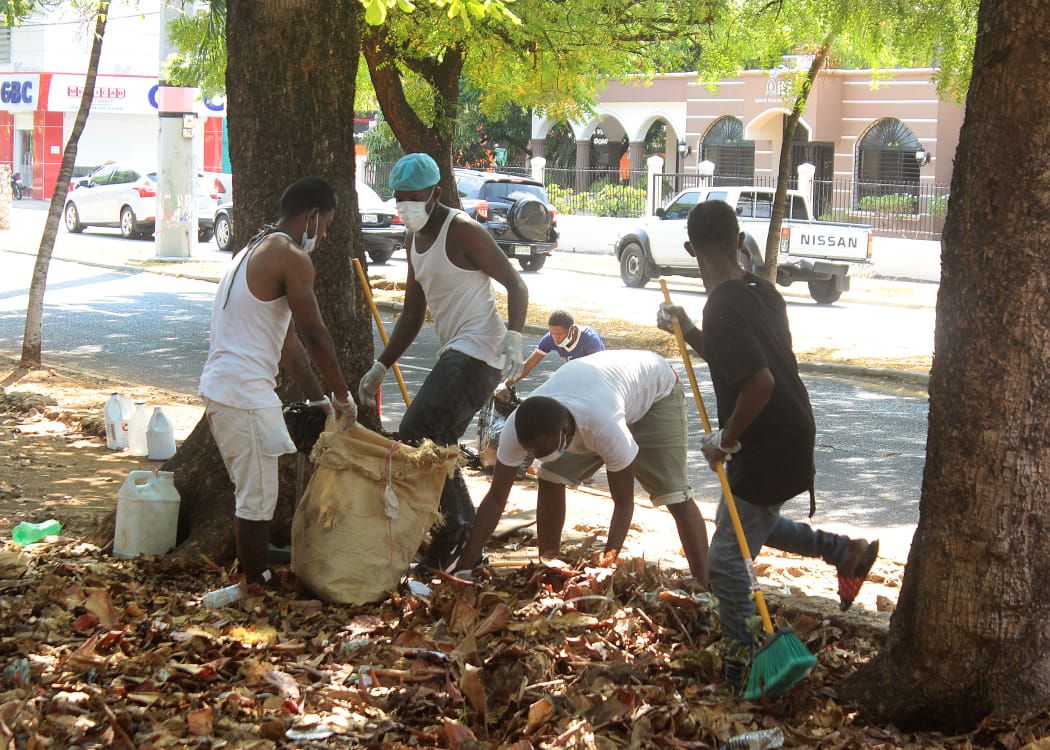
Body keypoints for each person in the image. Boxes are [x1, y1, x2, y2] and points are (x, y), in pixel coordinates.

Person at [656, 199, 879, 688]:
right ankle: (846, 552)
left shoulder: (722, 305)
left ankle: (742, 663)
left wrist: (724, 440)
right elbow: (737, 357)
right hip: (792, 430)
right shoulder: (763, 291)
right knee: (746, 520)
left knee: (726, 560)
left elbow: (758, 382)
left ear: (691, 247)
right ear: (739, 241)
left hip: (768, 440)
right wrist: (688, 329)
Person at [357, 152, 529, 573]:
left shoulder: (463, 231)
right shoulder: (414, 241)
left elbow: (516, 284)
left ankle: (451, 534)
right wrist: (382, 365)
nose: (405, 206)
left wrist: (515, 336)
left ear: (434, 194)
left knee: (418, 430)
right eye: (398, 198)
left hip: (480, 351)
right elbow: (414, 315)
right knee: (442, 446)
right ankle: (465, 538)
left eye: (412, 197)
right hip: (456, 350)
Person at [199, 176, 356, 590]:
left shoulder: (253, 250)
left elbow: (288, 345)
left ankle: (257, 575)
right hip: (242, 392)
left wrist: (319, 399)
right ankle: (257, 580)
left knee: (256, 490)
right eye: (325, 227)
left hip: (228, 389)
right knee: (257, 495)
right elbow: (314, 333)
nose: (323, 236)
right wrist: (343, 396)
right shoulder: (290, 256)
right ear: (313, 215)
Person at [458, 349, 711, 587]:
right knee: (550, 477)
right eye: (531, 451)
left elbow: (624, 503)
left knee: (673, 494)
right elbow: (495, 497)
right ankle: (550, 564)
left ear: (565, 432)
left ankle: (706, 583)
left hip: (656, 391)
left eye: (541, 451)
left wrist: (604, 567)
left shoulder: (603, 426)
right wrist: (464, 567)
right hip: (603, 391)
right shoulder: (518, 428)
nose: (534, 457)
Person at [504, 310, 605, 387]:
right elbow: (529, 365)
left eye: (559, 334)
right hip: (575, 376)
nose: (555, 338)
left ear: (572, 329)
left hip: (598, 378)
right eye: (552, 334)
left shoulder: (589, 338)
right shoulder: (550, 338)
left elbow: (598, 371)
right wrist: (505, 385)